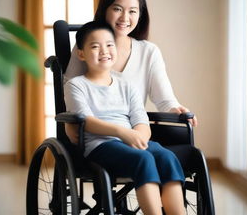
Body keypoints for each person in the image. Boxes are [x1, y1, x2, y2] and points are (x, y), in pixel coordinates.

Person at [64, 20, 186, 215]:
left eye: (109, 45)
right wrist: (123, 133)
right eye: (95, 46)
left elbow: (140, 118)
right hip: (101, 145)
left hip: (132, 140)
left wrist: (138, 137)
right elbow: (86, 120)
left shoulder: (126, 85)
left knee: (167, 157)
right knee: (143, 159)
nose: (104, 51)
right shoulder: (76, 85)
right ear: (81, 53)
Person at [64, 0, 198, 139]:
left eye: (132, 11)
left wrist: (176, 109)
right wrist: (70, 122)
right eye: (117, 9)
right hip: (97, 135)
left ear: (140, 15)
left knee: (181, 143)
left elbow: (165, 100)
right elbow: (70, 90)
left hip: (135, 129)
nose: (124, 18)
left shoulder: (149, 52)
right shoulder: (88, 48)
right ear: (104, 10)